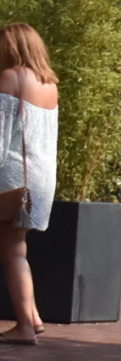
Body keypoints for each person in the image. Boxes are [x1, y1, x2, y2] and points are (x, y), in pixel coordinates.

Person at [0, 22, 60, 343]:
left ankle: (24, 326)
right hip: (38, 178)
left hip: (10, 177)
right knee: (17, 249)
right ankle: (32, 317)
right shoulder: (49, 84)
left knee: (13, 253)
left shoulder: (11, 78)